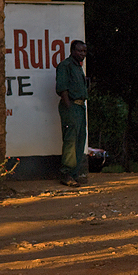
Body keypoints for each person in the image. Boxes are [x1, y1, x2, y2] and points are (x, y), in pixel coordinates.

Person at [55, 40, 89, 187]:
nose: (82, 54)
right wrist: (69, 107)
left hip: (80, 108)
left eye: (84, 52)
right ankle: (66, 174)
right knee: (71, 141)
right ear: (72, 51)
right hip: (72, 107)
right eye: (79, 51)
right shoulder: (66, 65)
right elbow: (62, 88)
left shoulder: (78, 67)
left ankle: (74, 175)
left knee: (80, 140)